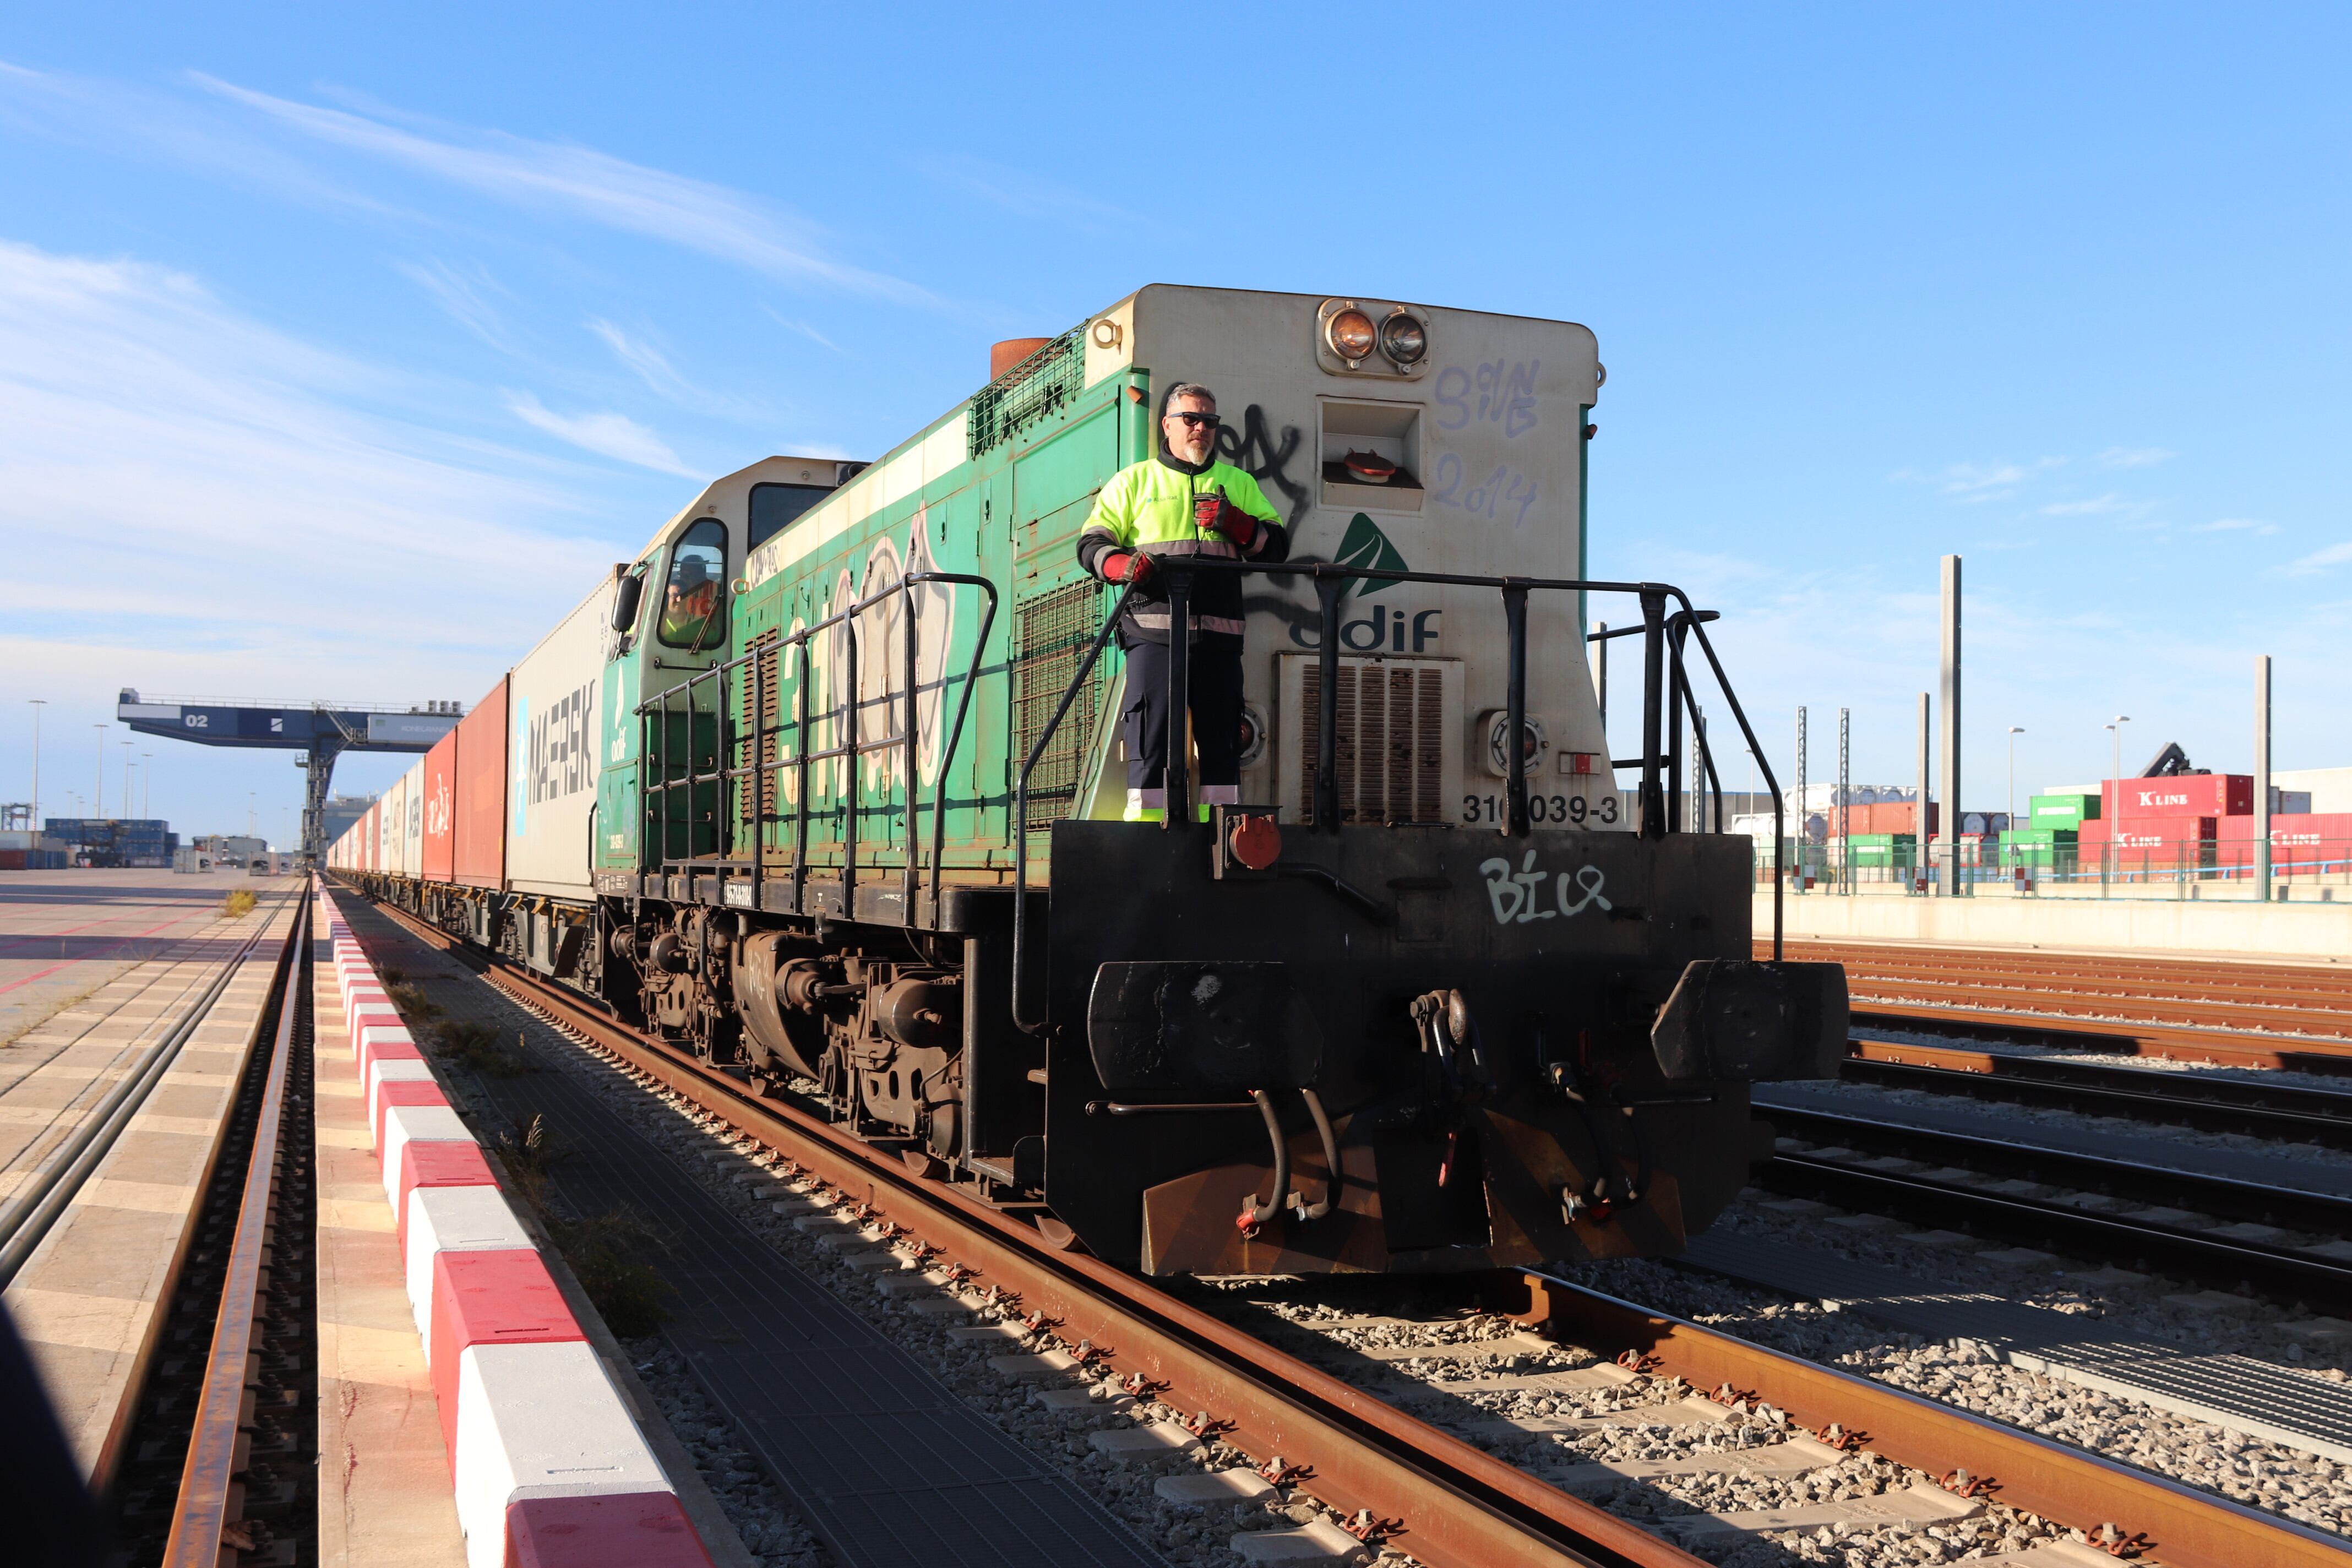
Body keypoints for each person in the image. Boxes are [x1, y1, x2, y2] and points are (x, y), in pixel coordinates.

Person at [1076, 383, 1291, 820]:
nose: (1201, 428)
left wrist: (1239, 525)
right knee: (1150, 740)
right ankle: (1146, 835)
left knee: (1223, 745)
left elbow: (1278, 547)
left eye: (1210, 421)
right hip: (1153, 635)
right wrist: (1121, 566)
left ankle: (1223, 838)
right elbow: (1092, 542)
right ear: (1167, 425)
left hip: (1220, 636)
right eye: (1191, 419)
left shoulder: (1239, 483)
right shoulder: (1134, 481)